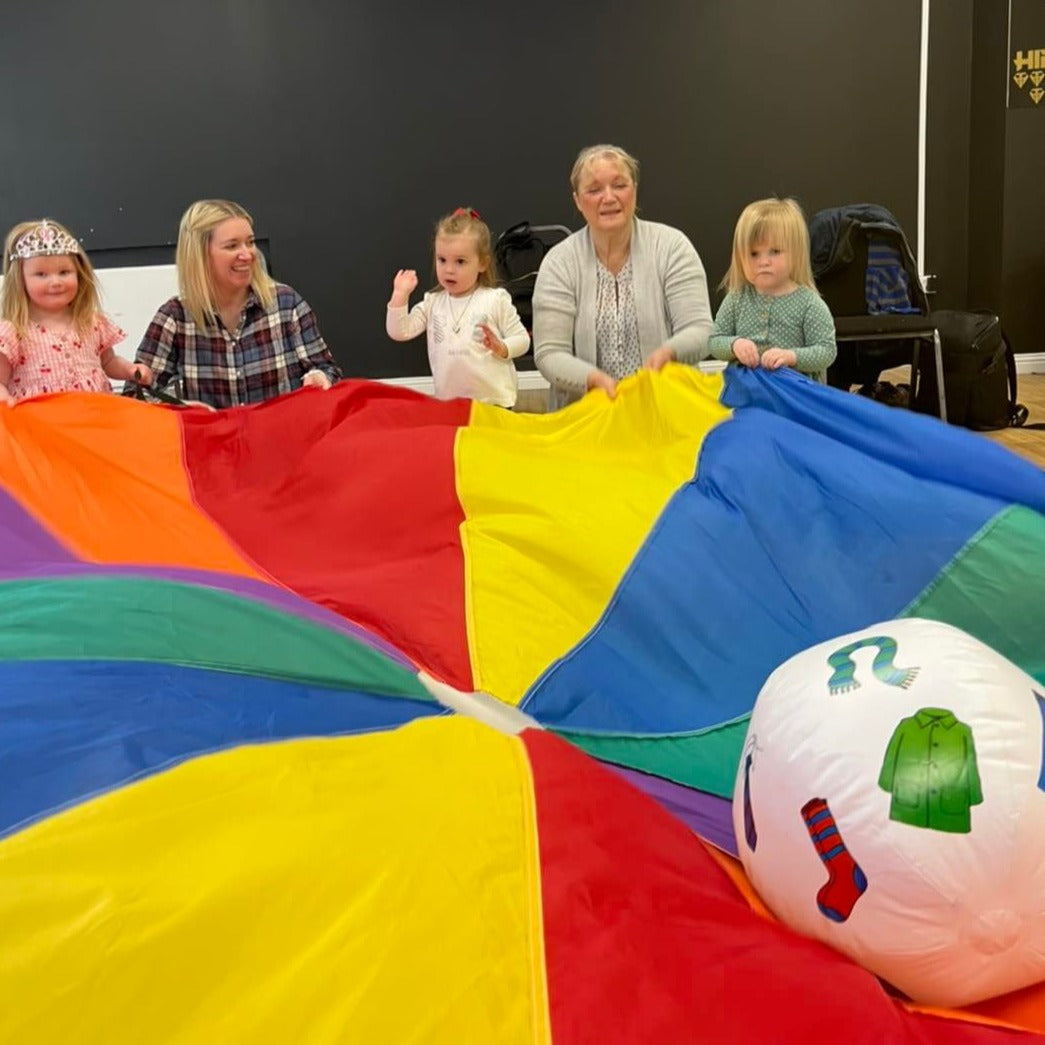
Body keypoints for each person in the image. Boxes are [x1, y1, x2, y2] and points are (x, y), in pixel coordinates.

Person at [532, 144, 713, 409]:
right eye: (594, 190)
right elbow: (549, 353)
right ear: (578, 201)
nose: (608, 197)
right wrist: (591, 380)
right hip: (587, 417)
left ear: (635, 190)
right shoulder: (559, 263)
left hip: (667, 410)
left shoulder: (673, 246)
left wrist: (668, 353)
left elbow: (701, 330)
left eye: (619, 185)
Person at [128, 199, 341, 408]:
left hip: (281, 439)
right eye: (232, 245)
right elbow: (135, 395)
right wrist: (183, 409)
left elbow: (329, 371)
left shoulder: (286, 303)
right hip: (213, 442)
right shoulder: (174, 317)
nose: (247, 254)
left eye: (250, 242)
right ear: (200, 255)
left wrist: (320, 377)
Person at [386, 207, 529, 408]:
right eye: (442, 260)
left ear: (482, 263)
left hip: (494, 403)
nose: (449, 269)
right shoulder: (432, 302)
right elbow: (400, 332)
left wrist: (503, 347)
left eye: (460, 261)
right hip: (450, 404)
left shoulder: (495, 299)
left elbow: (523, 340)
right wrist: (399, 297)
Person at [0, 219, 152, 404]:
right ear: (20, 281)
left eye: (64, 272)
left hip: (93, 419)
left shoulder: (91, 323)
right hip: (41, 425)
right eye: (41, 274)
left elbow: (108, 362)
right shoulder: (13, 333)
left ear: (79, 273)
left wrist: (130, 370)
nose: (55, 282)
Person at [707, 198, 837, 382]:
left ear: (796, 252)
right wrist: (735, 344)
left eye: (775, 251)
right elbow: (714, 341)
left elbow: (827, 351)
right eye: (754, 253)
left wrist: (792, 357)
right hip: (747, 393)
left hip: (794, 395)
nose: (763, 261)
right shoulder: (737, 298)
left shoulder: (809, 303)